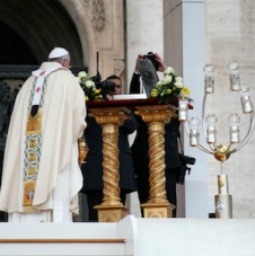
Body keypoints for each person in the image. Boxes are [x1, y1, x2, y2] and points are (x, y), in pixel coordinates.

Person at [0, 47, 87, 222]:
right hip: (54, 150)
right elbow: (79, 115)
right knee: (57, 179)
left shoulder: (28, 83)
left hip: (25, 154)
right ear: (64, 62)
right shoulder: (67, 79)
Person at [129, 53, 182, 217]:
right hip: (144, 159)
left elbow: (179, 96)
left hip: (168, 159)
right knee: (145, 202)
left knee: (169, 204)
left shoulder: (170, 106)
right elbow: (133, 97)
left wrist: (166, 70)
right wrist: (137, 72)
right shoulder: (143, 107)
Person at [80, 75, 137, 221]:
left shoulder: (124, 106)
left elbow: (131, 127)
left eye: (118, 86)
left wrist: (117, 107)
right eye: (111, 86)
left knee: (118, 211)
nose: (115, 89)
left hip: (119, 165)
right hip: (96, 164)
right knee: (94, 214)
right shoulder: (91, 104)